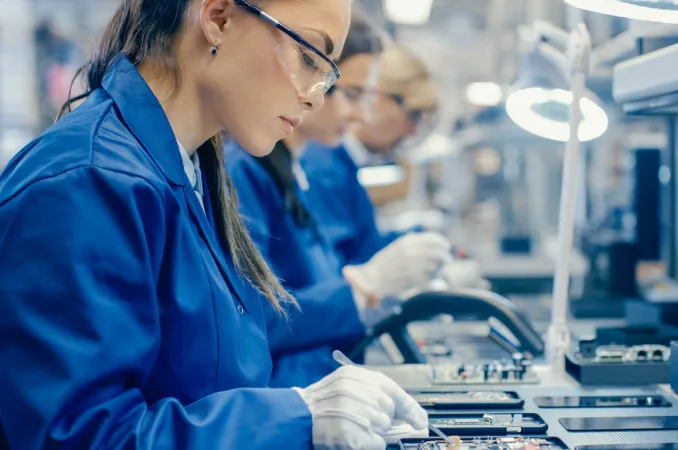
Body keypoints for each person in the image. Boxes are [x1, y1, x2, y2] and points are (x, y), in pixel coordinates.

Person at [0, 0, 427, 449]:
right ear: (218, 18)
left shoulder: (193, 172)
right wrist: (295, 416)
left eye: (327, 73)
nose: (316, 95)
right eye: (308, 57)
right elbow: (83, 438)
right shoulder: (86, 184)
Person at [225, 10, 452, 388]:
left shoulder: (292, 174)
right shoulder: (246, 173)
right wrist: (363, 286)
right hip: (287, 393)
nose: (360, 114)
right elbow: (257, 322)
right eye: (350, 94)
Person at [300, 44, 489, 288]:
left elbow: (360, 244)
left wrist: (413, 239)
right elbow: (337, 272)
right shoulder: (323, 167)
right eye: (413, 115)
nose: (412, 130)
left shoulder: (342, 165)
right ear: (376, 98)